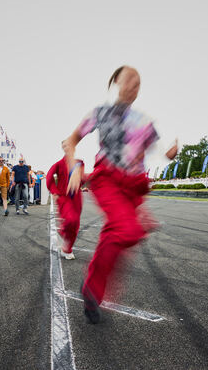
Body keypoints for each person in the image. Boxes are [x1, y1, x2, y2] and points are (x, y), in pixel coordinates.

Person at [64, 66, 178, 324]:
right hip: (107, 179)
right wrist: (73, 167)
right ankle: (92, 288)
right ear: (116, 81)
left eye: (139, 83)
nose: (134, 86)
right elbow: (70, 140)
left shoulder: (145, 121)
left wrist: (169, 154)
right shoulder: (99, 113)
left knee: (118, 233)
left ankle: (92, 289)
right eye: (130, 80)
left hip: (133, 185)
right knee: (127, 231)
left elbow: (157, 151)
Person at [47, 148, 85, 260]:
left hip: (77, 197)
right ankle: (64, 233)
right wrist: (54, 191)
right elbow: (49, 177)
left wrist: (80, 177)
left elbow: (81, 180)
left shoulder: (79, 163)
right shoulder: (58, 164)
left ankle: (67, 248)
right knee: (70, 220)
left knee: (75, 223)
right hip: (64, 197)